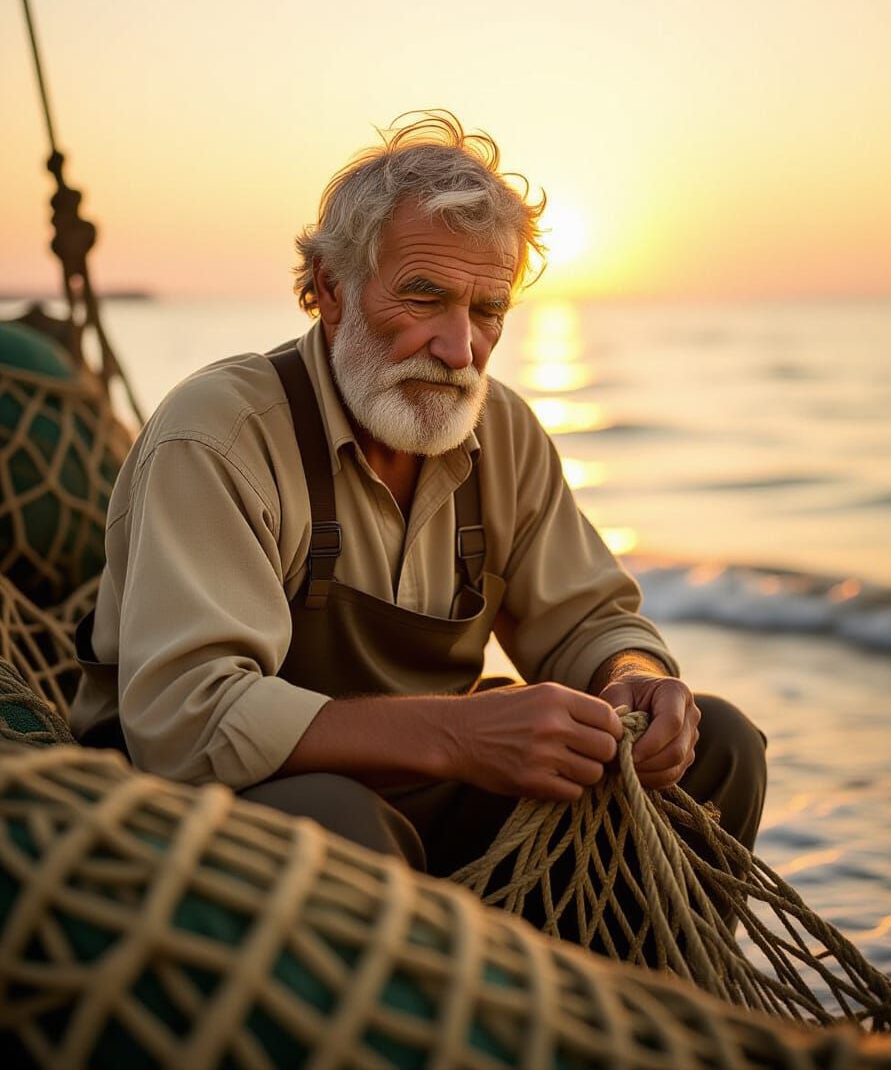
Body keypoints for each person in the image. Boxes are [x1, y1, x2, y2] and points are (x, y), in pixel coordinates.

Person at [71, 112, 766, 949]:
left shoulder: (502, 430)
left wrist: (636, 679)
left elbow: (591, 622)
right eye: (424, 296)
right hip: (202, 813)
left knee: (719, 747)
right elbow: (188, 723)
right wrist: (460, 734)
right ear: (329, 287)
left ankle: (612, 1022)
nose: (459, 346)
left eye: (488, 309)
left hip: (425, 785)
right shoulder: (217, 433)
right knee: (333, 827)